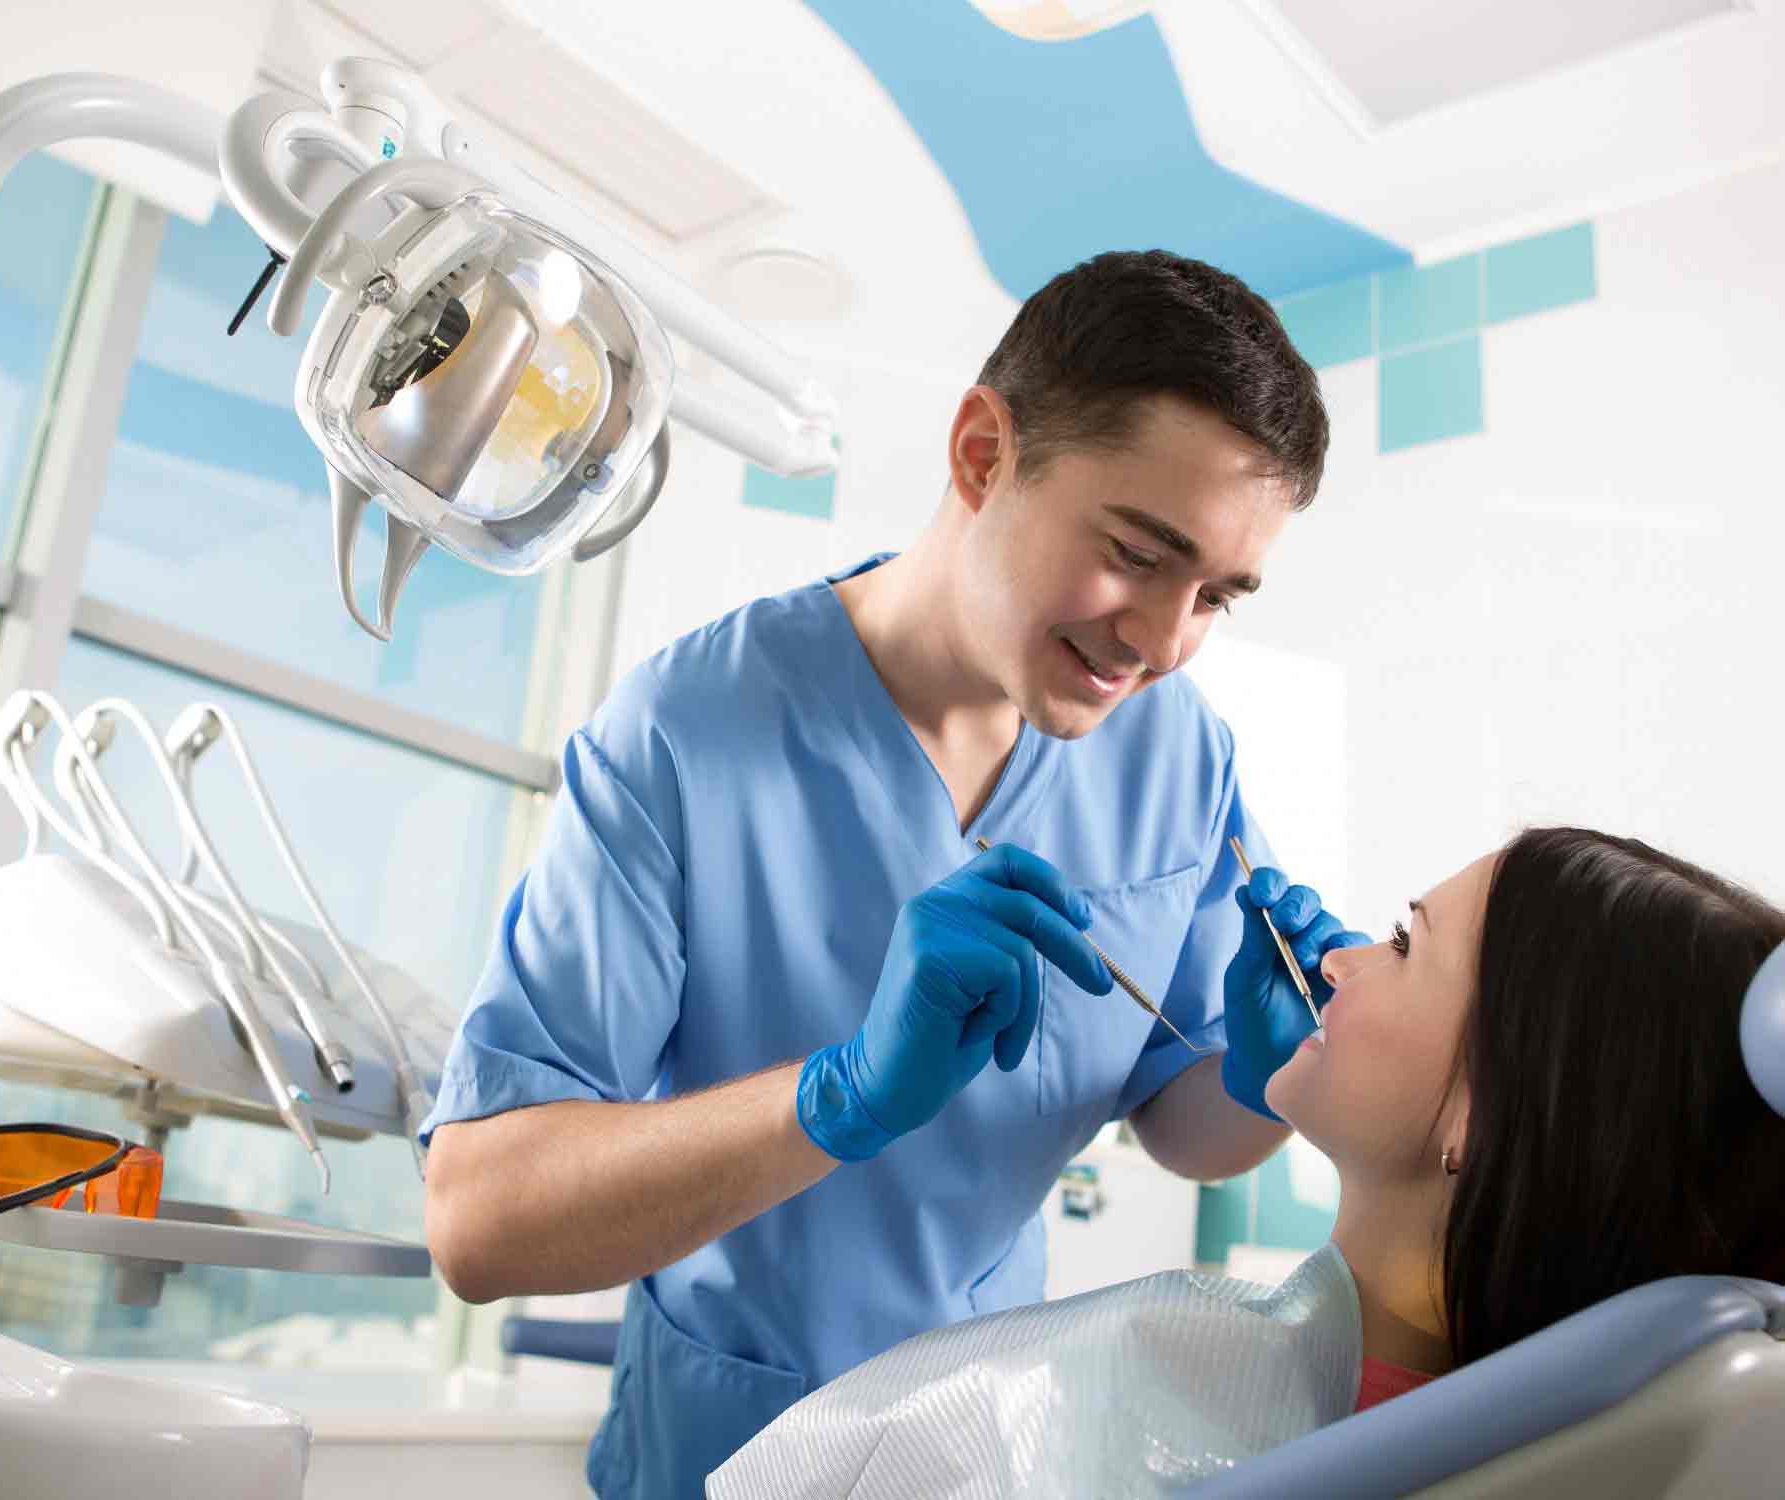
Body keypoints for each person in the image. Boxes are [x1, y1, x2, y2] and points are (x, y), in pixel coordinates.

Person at [421, 249, 1355, 1499]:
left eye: (1215, 598)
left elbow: (1183, 1124)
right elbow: (480, 1224)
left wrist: (1263, 1078)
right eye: (1137, 552)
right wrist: (839, 1097)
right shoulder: (685, 736)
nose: (1163, 642)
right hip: (722, 1449)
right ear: (981, 455)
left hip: (987, 1449)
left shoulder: (1177, 754)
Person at [713, 826, 1785, 1497]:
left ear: (1483, 1119)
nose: (1338, 958)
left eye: (1404, 944)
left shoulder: (1143, 1415)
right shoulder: (1528, 1431)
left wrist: (845, 1094)